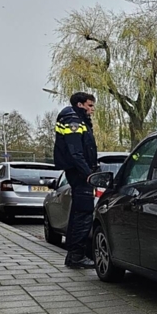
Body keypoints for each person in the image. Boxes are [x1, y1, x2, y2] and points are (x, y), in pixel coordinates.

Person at [54, 92, 99, 269]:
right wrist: (89, 174)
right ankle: (77, 256)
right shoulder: (73, 121)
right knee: (83, 214)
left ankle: (74, 255)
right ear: (80, 105)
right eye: (90, 106)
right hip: (80, 175)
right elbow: (76, 152)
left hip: (78, 173)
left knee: (78, 214)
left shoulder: (75, 119)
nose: (92, 110)